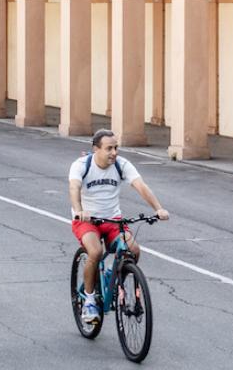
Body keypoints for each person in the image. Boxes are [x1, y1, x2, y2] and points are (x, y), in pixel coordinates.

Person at [69, 128, 169, 323]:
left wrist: (159, 208)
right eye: (109, 148)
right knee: (95, 252)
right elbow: (74, 187)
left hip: (113, 220)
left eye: (116, 148)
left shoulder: (121, 165)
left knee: (133, 250)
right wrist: (79, 210)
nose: (114, 153)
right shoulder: (81, 165)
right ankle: (89, 300)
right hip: (87, 221)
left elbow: (140, 185)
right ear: (95, 149)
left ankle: (115, 280)